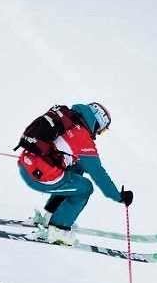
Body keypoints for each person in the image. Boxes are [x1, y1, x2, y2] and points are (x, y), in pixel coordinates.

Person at [15, 102, 133, 246]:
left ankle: (50, 215)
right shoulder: (83, 138)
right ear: (97, 122)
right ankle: (59, 229)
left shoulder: (68, 121)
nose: (99, 133)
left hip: (26, 164)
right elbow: (98, 173)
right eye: (102, 130)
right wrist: (118, 196)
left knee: (77, 168)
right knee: (86, 188)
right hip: (41, 177)